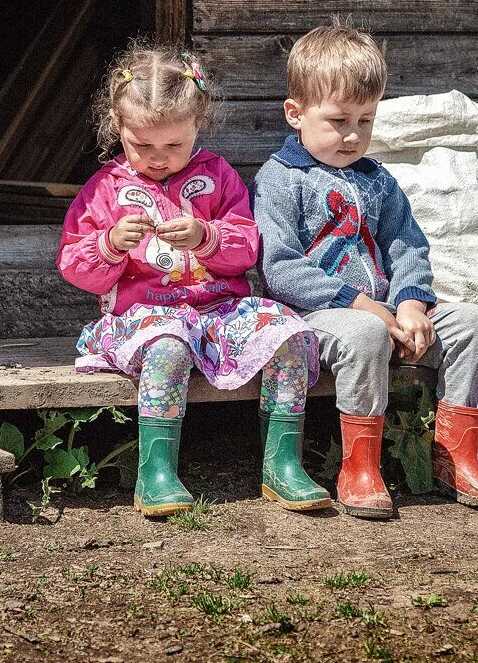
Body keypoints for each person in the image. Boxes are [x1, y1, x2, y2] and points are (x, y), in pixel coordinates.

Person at [58, 43, 329, 518]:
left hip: (220, 312)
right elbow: (75, 266)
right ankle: (155, 472)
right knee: (169, 345)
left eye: (174, 146)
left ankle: (282, 463)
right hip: (143, 317)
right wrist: (110, 243)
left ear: (198, 124)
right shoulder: (104, 189)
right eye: (142, 145)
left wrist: (207, 236)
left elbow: (248, 246)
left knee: (288, 334)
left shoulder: (219, 176)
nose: (158, 159)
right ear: (117, 127)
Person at [252, 24, 478, 519]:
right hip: (317, 317)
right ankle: (360, 466)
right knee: (368, 332)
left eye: (365, 121)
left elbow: (408, 243)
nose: (353, 135)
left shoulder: (378, 180)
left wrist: (413, 303)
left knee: (475, 324)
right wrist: (364, 306)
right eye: (338, 120)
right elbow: (279, 267)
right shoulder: (280, 180)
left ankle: (456, 457)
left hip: (389, 310)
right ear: (295, 114)